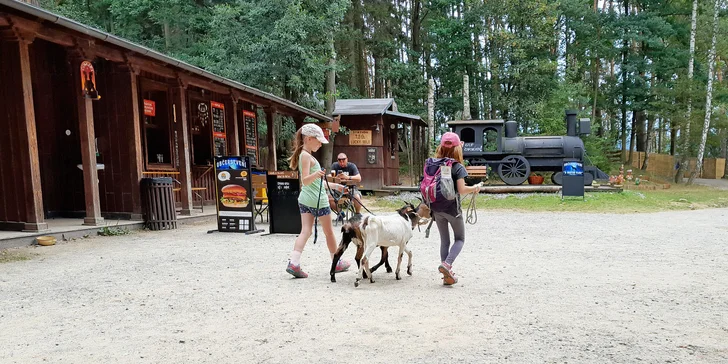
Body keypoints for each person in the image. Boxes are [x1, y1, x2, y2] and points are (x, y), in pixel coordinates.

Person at [286, 124, 350, 278]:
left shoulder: (305, 155)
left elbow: (317, 182)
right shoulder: (306, 156)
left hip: (306, 200)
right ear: (308, 139)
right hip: (318, 201)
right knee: (329, 233)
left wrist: (337, 187)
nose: (320, 144)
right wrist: (317, 175)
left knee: (305, 231)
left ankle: (294, 263)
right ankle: (337, 261)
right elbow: (306, 180)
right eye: (318, 141)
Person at [431, 132, 481, 285]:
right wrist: (475, 188)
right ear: (458, 148)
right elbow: (461, 190)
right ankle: (447, 265)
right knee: (459, 239)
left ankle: (447, 276)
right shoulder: (457, 167)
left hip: (436, 208)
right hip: (452, 209)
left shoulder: (433, 164)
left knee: (444, 241)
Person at [329, 153, 363, 218]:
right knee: (329, 198)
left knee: (357, 197)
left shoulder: (352, 166)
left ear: (347, 159)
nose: (342, 163)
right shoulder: (334, 166)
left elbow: (359, 178)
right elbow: (330, 176)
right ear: (337, 161)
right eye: (340, 161)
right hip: (337, 189)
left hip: (350, 188)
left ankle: (358, 214)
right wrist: (335, 177)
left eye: (343, 161)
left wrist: (347, 177)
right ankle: (340, 212)